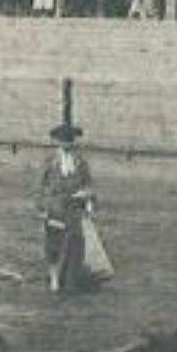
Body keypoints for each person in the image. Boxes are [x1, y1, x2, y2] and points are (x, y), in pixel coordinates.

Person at [37, 123, 111, 294]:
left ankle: (71, 280)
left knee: (74, 244)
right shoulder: (49, 161)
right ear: (57, 142)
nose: (66, 145)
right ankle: (54, 280)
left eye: (69, 142)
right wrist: (42, 207)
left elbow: (88, 184)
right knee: (53, 244)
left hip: (74, 209)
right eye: (63, 142)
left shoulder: (80, 162)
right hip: (54, 207)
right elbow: (40, 185)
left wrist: (87, 198)